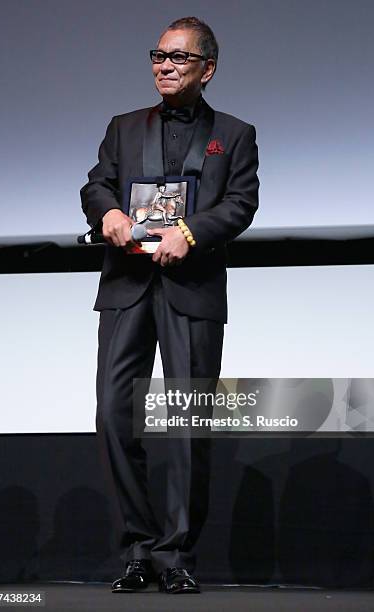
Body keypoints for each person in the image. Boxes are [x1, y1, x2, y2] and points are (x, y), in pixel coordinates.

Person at [80, 16, 259, 594]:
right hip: (127, 285)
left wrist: (193, 230)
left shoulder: (234, 133)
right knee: (113, 416)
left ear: (207, 70)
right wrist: (106, 212)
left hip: (192, 290)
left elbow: (240, 203)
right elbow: (96, 184)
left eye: (178, 58)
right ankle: (137, 547)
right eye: (158, 54)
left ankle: (176, 554)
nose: (163, 64)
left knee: (185, 424)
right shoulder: (123, 126)